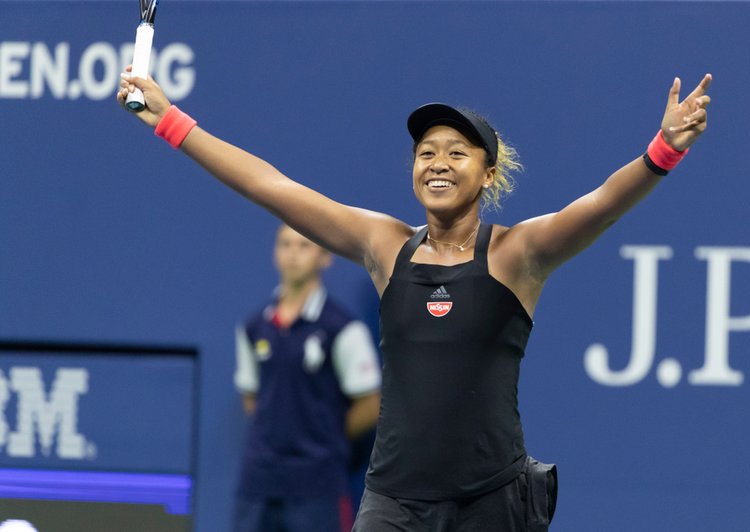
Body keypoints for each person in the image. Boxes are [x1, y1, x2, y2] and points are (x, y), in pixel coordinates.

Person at [118, 68, 712, 531]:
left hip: (492, 502)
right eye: (426, 152)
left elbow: (603, 204)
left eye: (457, 152)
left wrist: (664, 149)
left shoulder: (517, 253)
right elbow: (271, 186)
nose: (438, 163)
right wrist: (171, 120)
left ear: (487, 172)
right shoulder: (384, 247)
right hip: (394, 504)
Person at [232, 224, 382, 532]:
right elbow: (251, 397)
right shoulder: (253, 328)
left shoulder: (342, 329)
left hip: (319, 486)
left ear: (325, 257)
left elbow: (370, 403)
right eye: (285, 245)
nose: (293, 254)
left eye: (304, 246)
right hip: (259, 482)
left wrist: (323, 439)